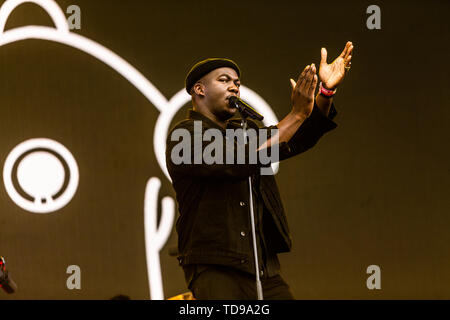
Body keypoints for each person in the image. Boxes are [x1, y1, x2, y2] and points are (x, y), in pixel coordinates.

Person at [165, 41, 353, 300]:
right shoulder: (184, 136)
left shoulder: (245, 134)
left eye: (237, 82)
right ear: (199, 89)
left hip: (262, 268)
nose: (234, 86)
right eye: (224, 80)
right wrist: (296, 115)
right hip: (216, 266)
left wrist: (325, 93)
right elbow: (236, 162)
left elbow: (298, 139)